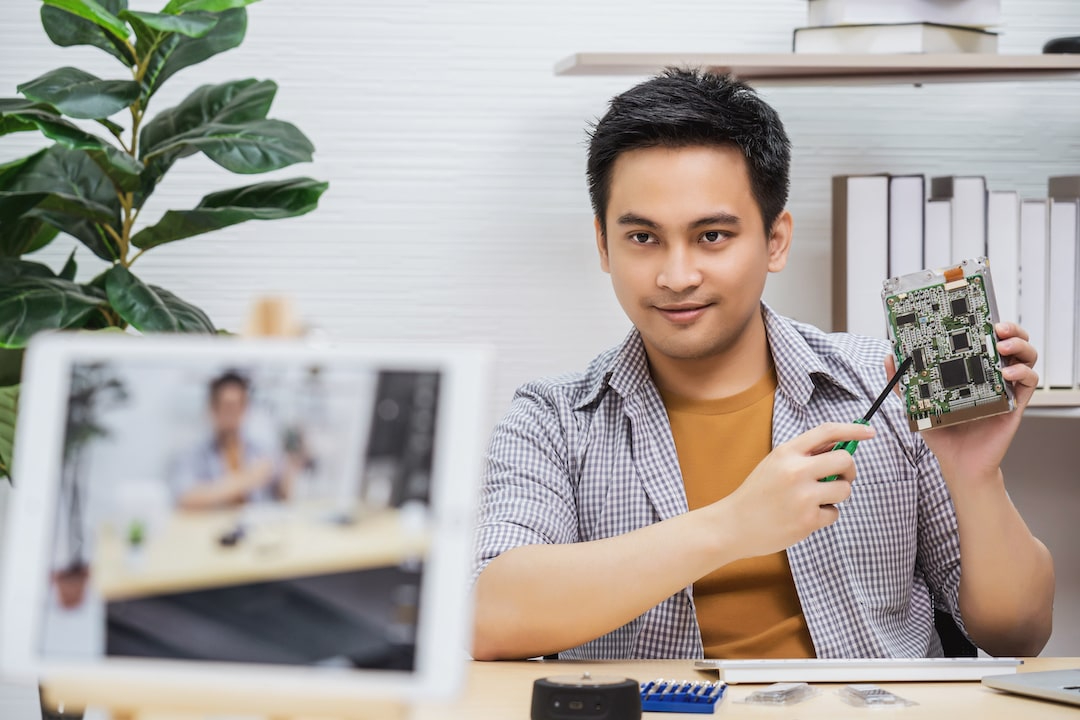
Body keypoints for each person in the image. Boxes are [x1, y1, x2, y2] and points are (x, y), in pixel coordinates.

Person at [470, 68, 1054, 661]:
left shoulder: (887, 384)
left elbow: (1019, 633)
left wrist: (977, 478)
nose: (677, 277)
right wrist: (732, 526)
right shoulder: (554, 417)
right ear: (603, 245)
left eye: (713, 236)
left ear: (776, 240)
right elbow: (489, 618)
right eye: (643, 238)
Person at [170, 371, 298, 510]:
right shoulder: (193, 453)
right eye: (228, 406)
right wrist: (248, 479)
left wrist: (292, 466)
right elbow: (184, 497)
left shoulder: (262, 449)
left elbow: (284, 496)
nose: (234, 414)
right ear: (212, 408)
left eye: (239, 406)